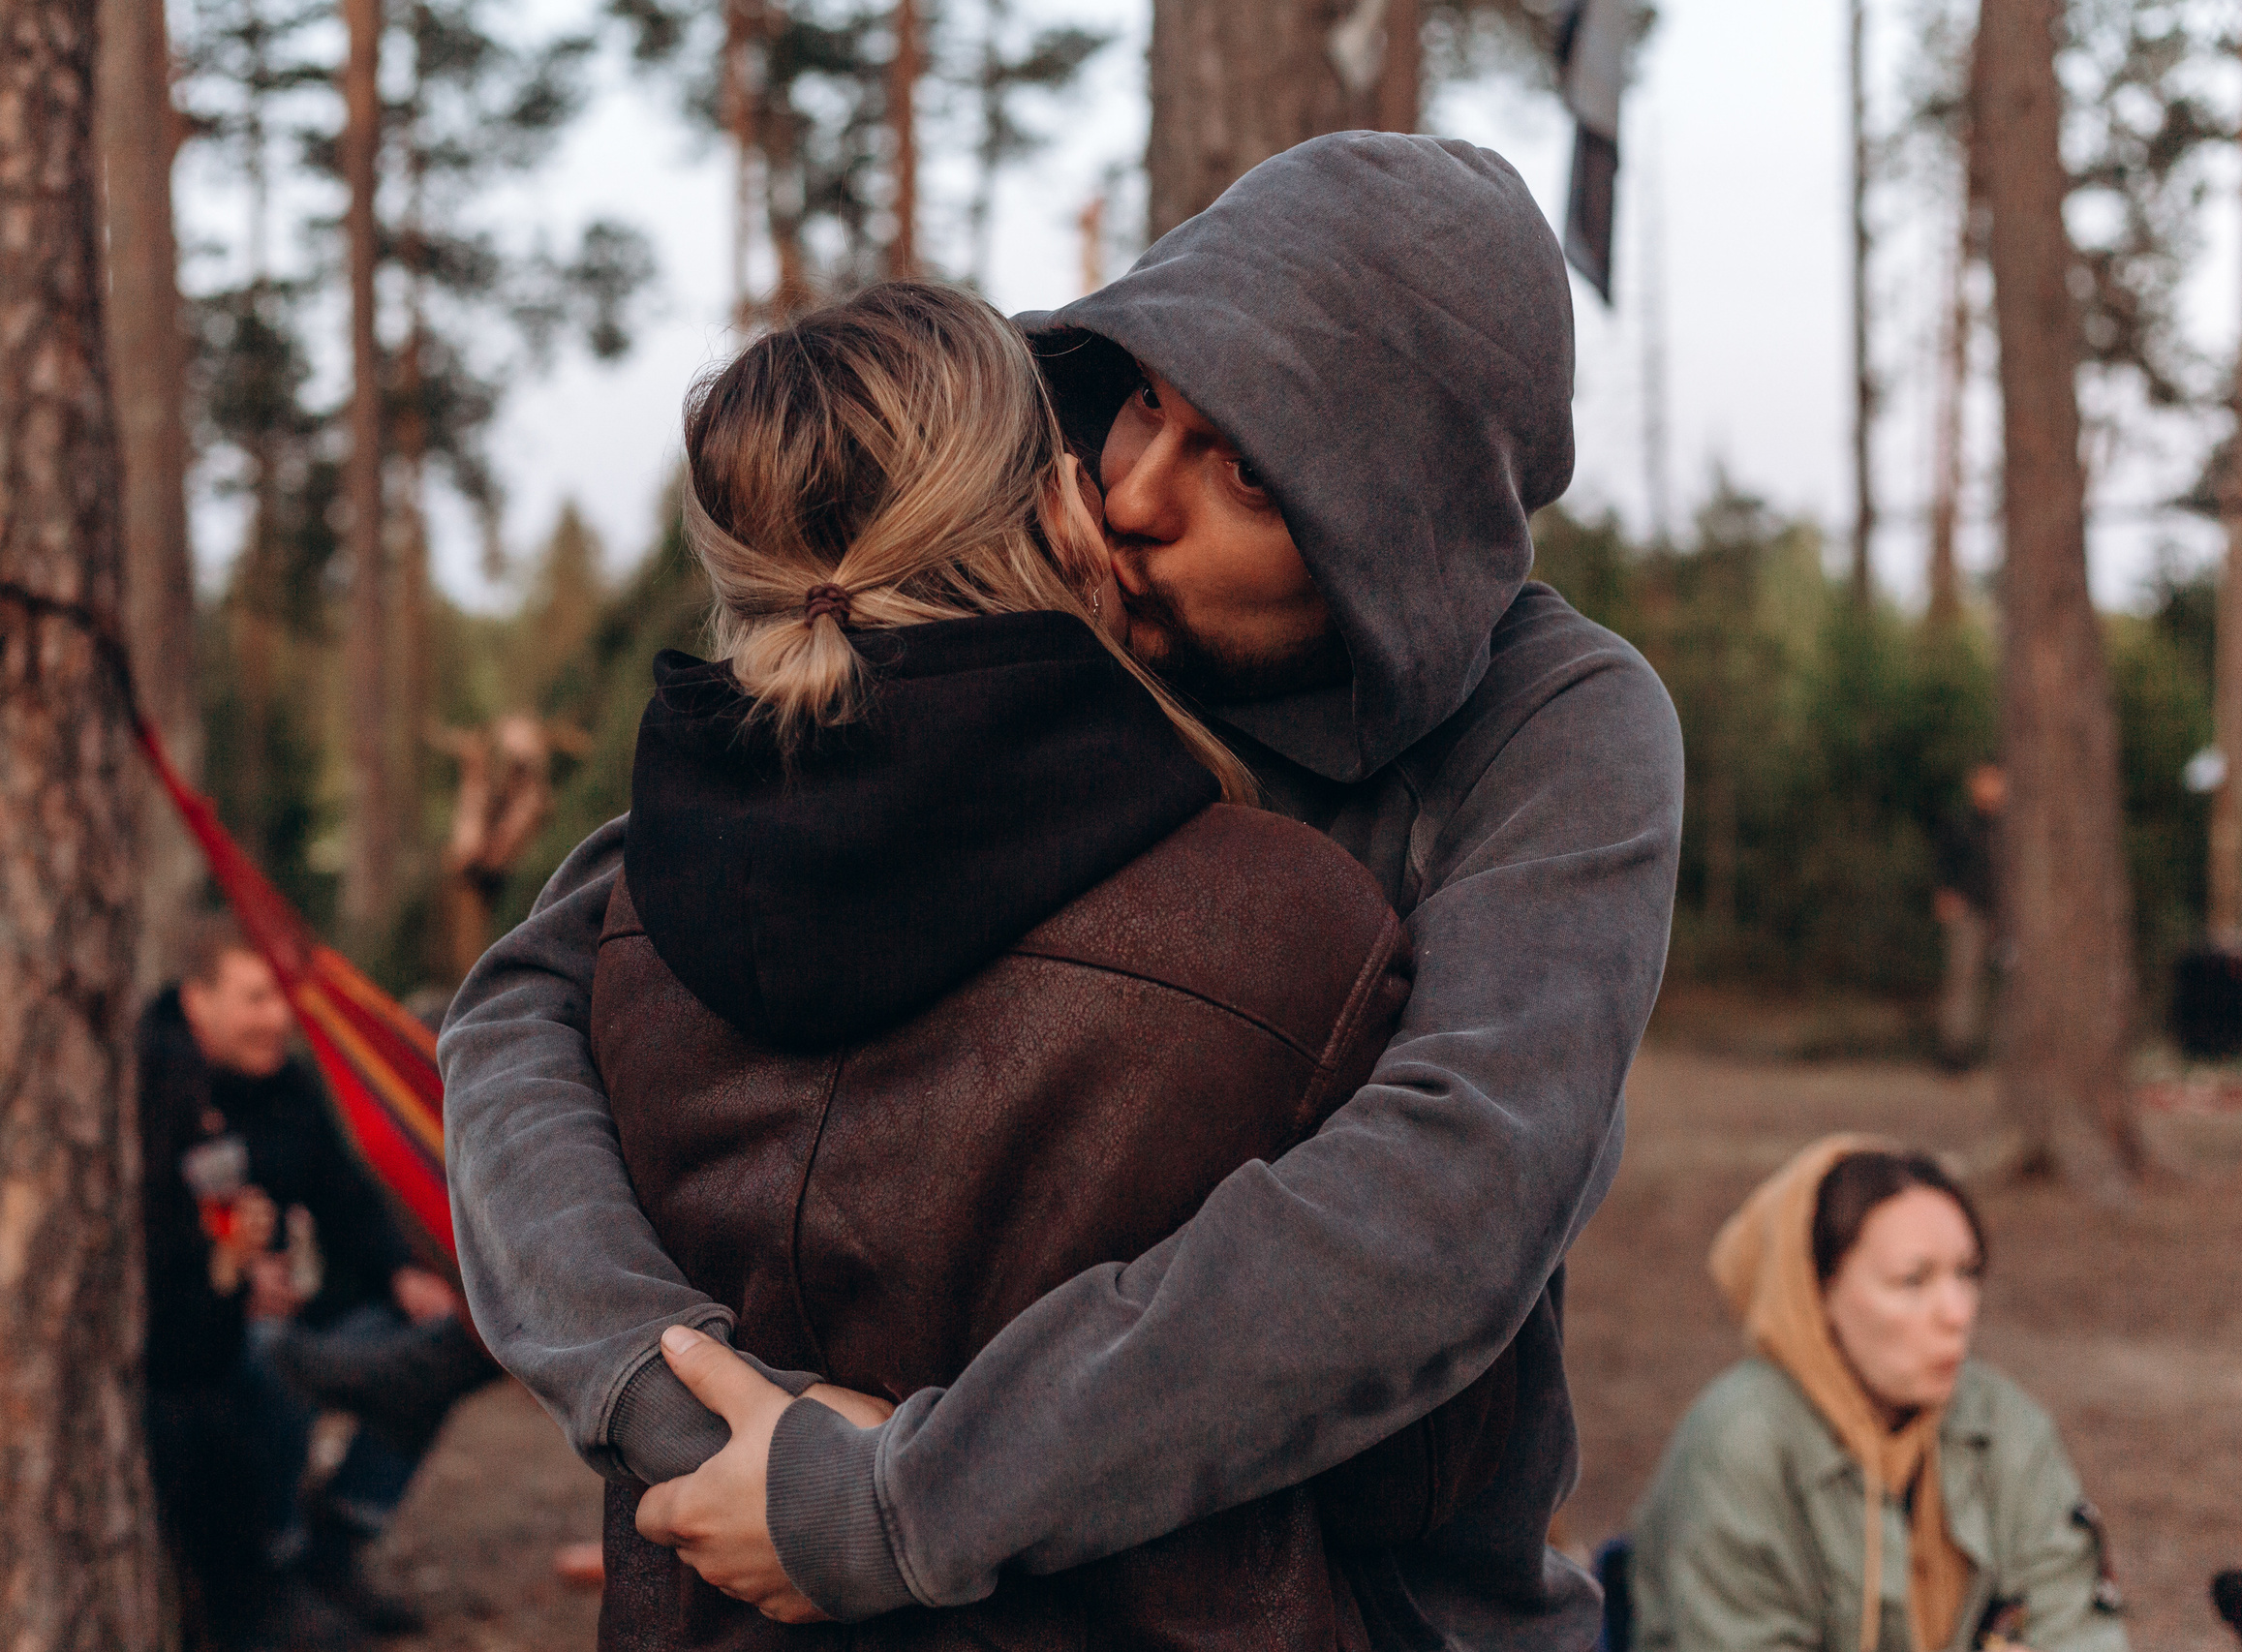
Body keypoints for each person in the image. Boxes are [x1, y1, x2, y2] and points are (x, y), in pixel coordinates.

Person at [441, 131, 1685, 1647]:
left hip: (1397, 1599)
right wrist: (664, 1388)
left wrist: (907, 1496)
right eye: (1144, 396)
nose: (1131, 490)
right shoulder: (1063, 615)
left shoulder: (1552, 727)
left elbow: (1447, 1199)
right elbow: (536, 989)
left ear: (1406, 544)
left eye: (1245, 470)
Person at [1626, 1140, 2127, 1652]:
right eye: (1913, 1280)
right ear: (1818, 1292)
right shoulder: (1740, 1444)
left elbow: (2080, 1628)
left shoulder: (2002, 1423)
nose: (1957, 1313)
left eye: (1966, 1273)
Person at [140, 916, 491, 1644]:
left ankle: (334, 1553)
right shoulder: (156, 1087)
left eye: (282, 999)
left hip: (303, 1314)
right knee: (266, 1361)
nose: (278, 1019)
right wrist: (231, 1278)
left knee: (444, 1337)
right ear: (196, 998)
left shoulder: (286, 1084)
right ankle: (275, 1565)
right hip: (210, 1340)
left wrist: (402, 1273)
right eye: (255, 999)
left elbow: (346, 1195)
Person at [1932, 762, 2005, 1068]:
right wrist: (1946, 896)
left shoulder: (2014, 827)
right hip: (1969, 911)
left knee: (2008, 981)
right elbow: (1944, 864)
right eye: (1984, 780)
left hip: (2006, 915)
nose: (1991, 787)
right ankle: (1956, 1052)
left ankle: (2001, 1050)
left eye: (1997, 780)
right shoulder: (1961, 823)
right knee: (1963, 980)